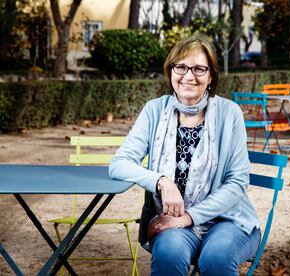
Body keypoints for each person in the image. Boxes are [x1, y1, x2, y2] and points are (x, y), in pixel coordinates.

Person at [109, 35, 261, 275]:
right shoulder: (154, 110)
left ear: (211, 75)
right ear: (171, 71)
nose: (189, 76)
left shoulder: (229, 113)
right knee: (169, 255)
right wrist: (162, 182)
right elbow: (119, 164)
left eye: (199, 68)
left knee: (217, 259)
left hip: (228, 220)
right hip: (172, 220)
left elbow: (237, 182)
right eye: (181, 67)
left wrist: (189, 216)